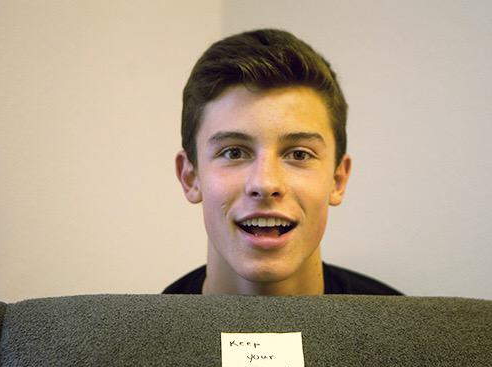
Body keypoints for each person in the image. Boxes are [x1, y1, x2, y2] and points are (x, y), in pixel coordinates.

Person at [163, 29, 401, 296]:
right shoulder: (142, 324)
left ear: (338, 180)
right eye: (234, 153)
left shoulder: (403, 322)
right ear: (190, 178)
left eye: (299, 154)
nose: (265, 184)